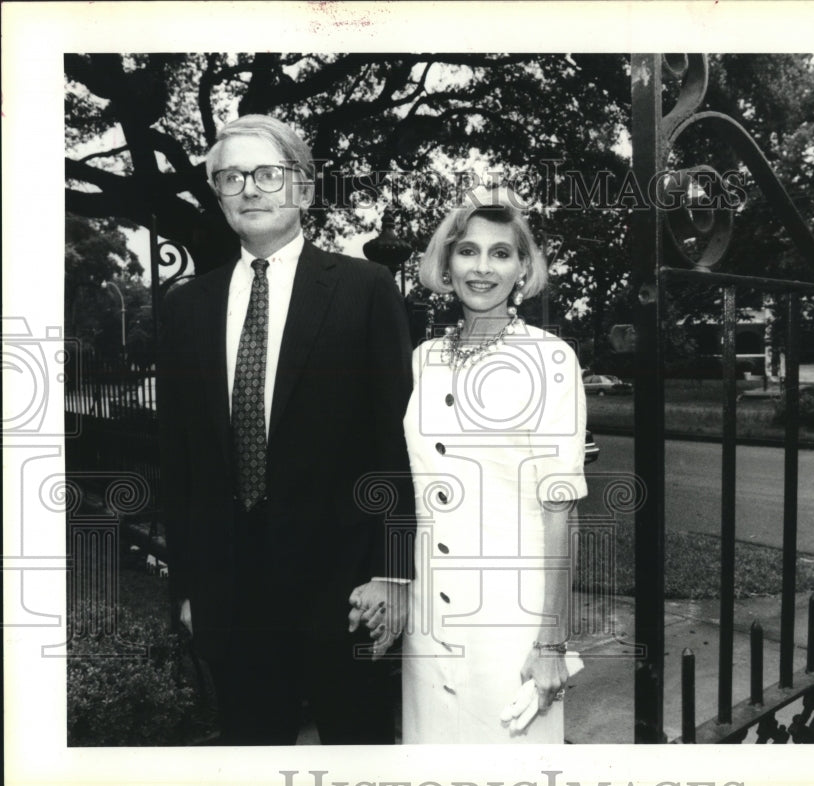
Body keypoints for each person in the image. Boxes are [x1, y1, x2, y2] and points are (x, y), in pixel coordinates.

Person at [157, 114, 414, 745]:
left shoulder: (364, 289)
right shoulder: (187, 307)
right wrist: (189, 587)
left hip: (347, 588)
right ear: (217, 196)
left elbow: (393, 440)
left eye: (267, 173)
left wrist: (393, 571)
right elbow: (180, 459)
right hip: (230, 596)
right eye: (231, 177)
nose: (250, 188)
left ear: (303, 188)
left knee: (362, 752)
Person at [399, 187, 588, 743]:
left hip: (512, 619)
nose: (482, 268)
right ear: (446, 263)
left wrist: (551, 643)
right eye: (467, 251)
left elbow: (561, 509)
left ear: (523, 269)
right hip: (428, 616)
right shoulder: (423, 359)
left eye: (501, 253)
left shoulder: (550, 358)